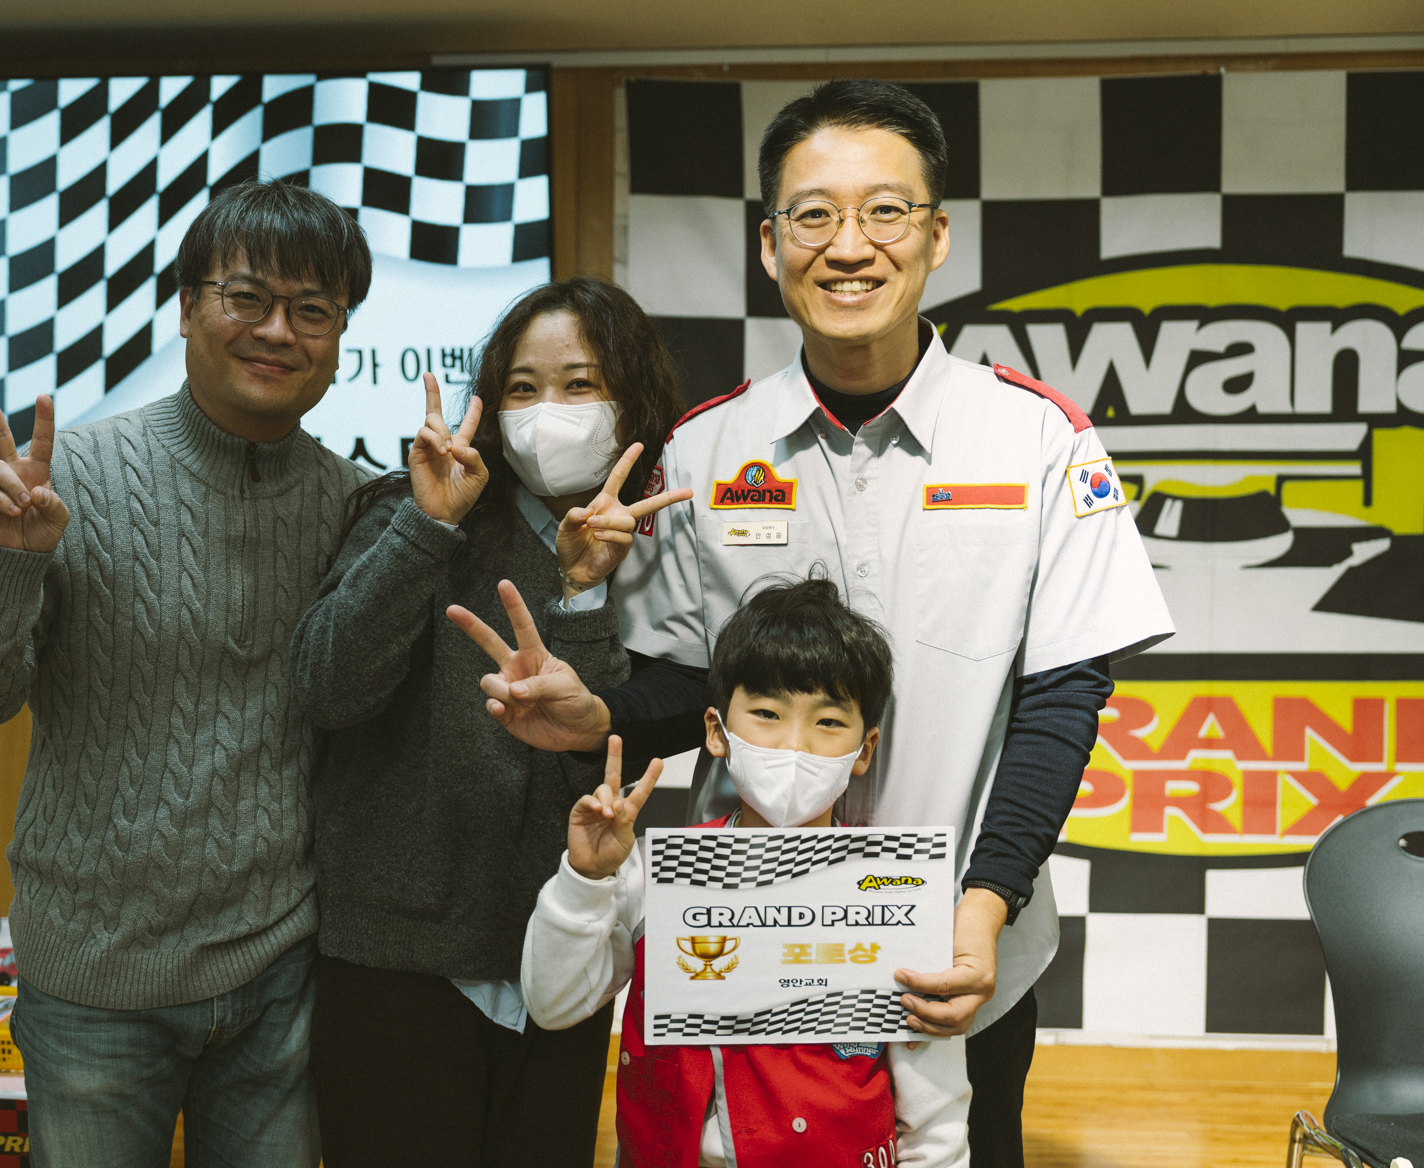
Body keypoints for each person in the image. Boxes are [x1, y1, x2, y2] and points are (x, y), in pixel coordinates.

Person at [454, 80, 1173, 1167]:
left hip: (955, 947)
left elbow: (1062, 700)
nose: (848, 245)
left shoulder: (1036, 441)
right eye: (813, 215)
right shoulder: (704, 451)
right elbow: (684, 689)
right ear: (768, 243)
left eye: (886, 211)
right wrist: (599, 714)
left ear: (937, 235)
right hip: (746, 945)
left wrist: (983, 906)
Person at [0, 178, 373, 1168]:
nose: (276, 330)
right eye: (247, 297)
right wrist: (3, 562)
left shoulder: (351, 503)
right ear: (188, 306)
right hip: (95, 987)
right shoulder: (70, 477)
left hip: (279, 978)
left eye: (312, 309)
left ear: (339, 339)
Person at [289, 277, 693, 1168]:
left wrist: (582, 594)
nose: (549, 411)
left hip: (554, 958)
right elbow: (326, 688)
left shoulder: (658, 546)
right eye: (522, 387)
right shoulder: (417, 505)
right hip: (396, 960)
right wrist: (425, 527)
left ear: (633, 399)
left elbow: (586, 751)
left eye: (580, 384)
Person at [520, 576, 969, 1168]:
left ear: (864, 749)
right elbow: (553, 1003)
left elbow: (936, 1118)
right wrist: (585, 879)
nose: (794, 745)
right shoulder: (658, 875)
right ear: (717, 731)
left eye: (828, 722)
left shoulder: (896, 892)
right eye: (766, 713)